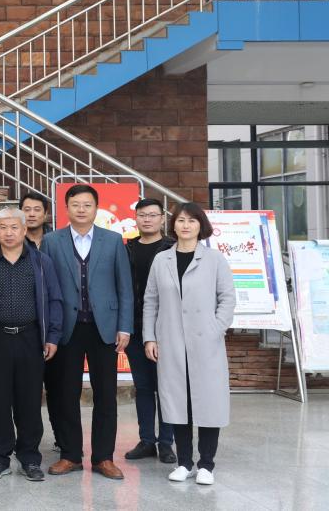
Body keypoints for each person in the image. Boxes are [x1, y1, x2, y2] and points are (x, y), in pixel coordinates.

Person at [40, 184, 132, 481]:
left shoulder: (113, 240)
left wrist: (125, 326)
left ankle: (104, 457)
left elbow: (125, 287)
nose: (81, 209)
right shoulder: (51, 241)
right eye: (75, 204)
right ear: (66, 208)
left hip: (104, 328)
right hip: (67, 329)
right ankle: (70, 455)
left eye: (87, 204)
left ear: (96, 208)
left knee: (105, 395)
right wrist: (49, 330)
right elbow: (45, 288)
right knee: (66, 394)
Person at [144, 203, 235, 486]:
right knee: (177, 403)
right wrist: (150, 337)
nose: (186, 225)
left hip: (206, 343)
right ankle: (184, 462)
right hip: (171, 342)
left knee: (208, 403)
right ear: (173, 225)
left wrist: (216, 328)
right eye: (181, 220)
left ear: (201, 226)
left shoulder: (214, 260)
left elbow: (227, 298)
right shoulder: (162, 260)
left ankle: (206, 464)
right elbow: (150, 300)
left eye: (192, 221)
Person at [0, 208, 62, 482]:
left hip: (31, 338)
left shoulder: (41, 262)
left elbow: (54, 300)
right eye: (3, 227)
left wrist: (52, 336)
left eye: (14, 227)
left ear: (24, 230)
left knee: (29, 401)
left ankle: (30, 457)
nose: (8, 233)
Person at [124, 198, 176, 464]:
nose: (147, 219)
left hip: (167, 328)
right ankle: (147, 440)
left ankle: (166, 443)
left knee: (166, 386)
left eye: (152, 215)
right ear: (136, 218)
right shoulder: (127, 249)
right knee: (143, 386)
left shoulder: (172, 247)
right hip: (135, 327)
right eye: (142, 215)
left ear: (162, 218)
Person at [21, 190, 60, 453]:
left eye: (37, 209)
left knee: (58, 388)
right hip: (25, 329)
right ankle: (26, 443)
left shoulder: (57, 242)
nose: (32, 214)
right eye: (27, 209)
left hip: (53, 326)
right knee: (25, 392)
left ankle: (62, 438)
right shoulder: (11, 241)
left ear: (46, 214)